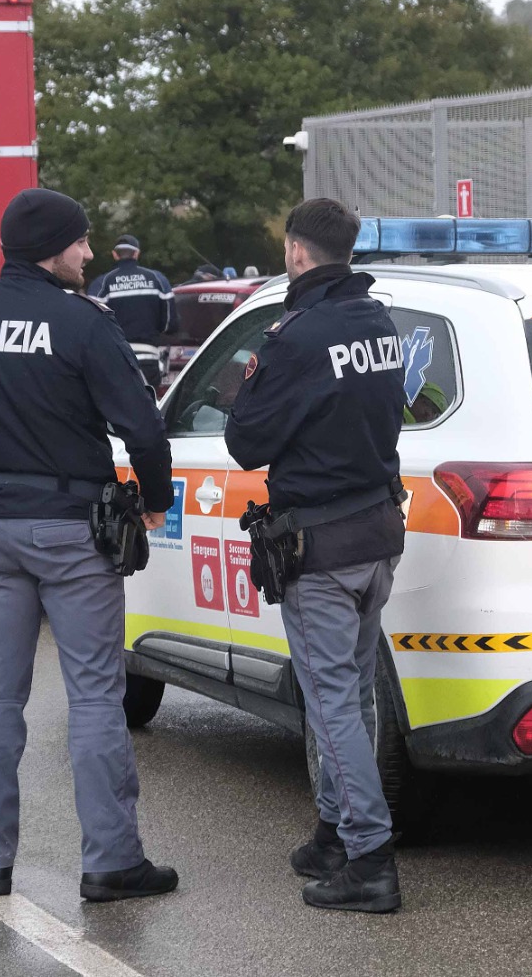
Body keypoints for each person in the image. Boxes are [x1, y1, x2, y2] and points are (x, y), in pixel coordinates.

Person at [0, 188, 179, 902]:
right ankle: (111, 863)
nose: (87, 254)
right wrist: (158, 503)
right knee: (96, 697)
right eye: (79, 243)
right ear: (53, 248)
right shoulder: (81, 323)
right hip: (73, 531)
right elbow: (142, 426)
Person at [225, 198, 407, 913]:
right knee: (352, 693)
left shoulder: (297, 338)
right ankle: (333, 833)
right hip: (374, 535)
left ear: (298, 252)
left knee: (332, 703)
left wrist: (249, 385)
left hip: (322, 546)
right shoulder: (378, 323)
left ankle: (369, 857)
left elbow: (247, 443)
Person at [86, 235, 176, 389]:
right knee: (149, 407)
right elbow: (170, 323)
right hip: (149, 358)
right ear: (136, 254)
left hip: (114, 360)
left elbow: (89, 325)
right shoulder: (157, 279)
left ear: (115, 254)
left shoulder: (101, 284)